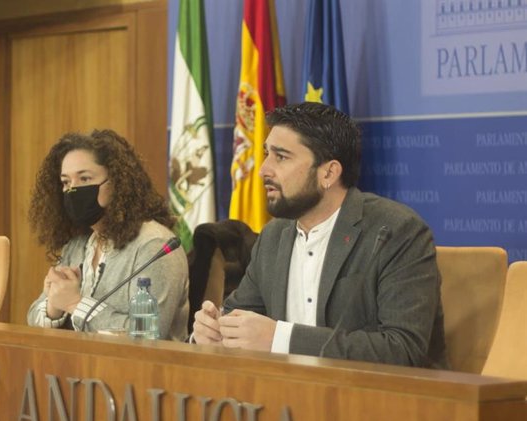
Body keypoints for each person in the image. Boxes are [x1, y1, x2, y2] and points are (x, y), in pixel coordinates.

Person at [192, 102, 448, 368]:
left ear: (328, 172)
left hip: (383, 402)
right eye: (267, 154)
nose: (263, 170)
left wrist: (280, 338)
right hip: (288, 399)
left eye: (281, 157)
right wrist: (215, 332)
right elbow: (240, 317)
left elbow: (403, 348)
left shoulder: (396, 231)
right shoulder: (274, 236)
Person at [26, 129, 189, 340]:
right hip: (82, 369)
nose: (73, 190)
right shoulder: (79, 244)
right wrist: (53, 307)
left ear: (117, 182)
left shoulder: (154, 246)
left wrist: (75, 304)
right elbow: (33, 317)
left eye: (84, 178)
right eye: (66, 182)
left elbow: (147, 335)